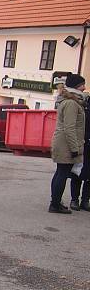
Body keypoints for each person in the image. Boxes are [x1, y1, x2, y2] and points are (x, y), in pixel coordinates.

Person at [48, 73, 86, 214]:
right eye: (83, 84)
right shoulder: (71, 103)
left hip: (63, 142)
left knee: (61, 173)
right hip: (66, 144)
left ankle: (55, 202)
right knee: (62, 173)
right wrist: (75, 148)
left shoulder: (70, 101)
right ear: (77, 86)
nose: (85, 87)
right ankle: (55, 204)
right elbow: (69, 127)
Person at [68, 75, 90, 211]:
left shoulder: (85, 101)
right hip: (82, 142)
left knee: (89, 175)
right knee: (77, 172)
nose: (85, 87)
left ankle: (85, 200)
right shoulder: (80, 103)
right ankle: (74, 200)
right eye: (82, 85)